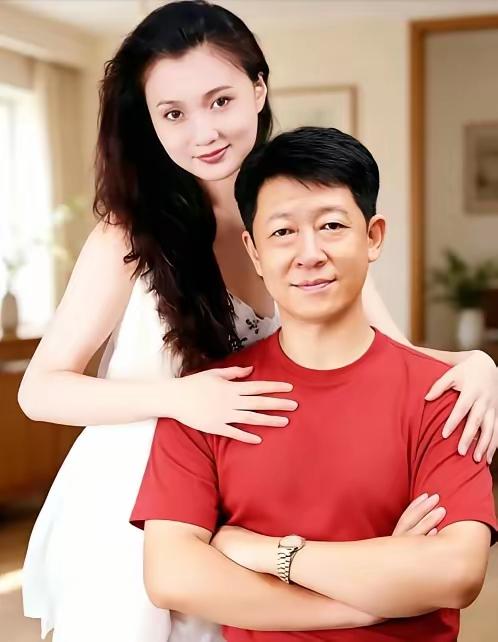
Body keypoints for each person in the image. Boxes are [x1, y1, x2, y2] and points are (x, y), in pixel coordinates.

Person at [19, 2, 497, 642]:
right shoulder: (129, 235)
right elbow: (40, 389)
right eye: (173, 114)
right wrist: (179, 399)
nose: (204, 132)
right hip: (133, 494)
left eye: (220, 101)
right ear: (150, 121)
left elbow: (384, 356)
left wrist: (477, 364)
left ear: (259, 91)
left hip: (242, 492)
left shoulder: (296, 221)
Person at [131, 126, 497, 641]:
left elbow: (456, 573)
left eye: (331, 226)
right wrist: (365, 604)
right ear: (254, 251)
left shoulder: (446, 396)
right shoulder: (206, 399)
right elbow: (173, 576)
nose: (309, 253)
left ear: (373, 237)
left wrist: (266, 553)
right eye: (283, 232)